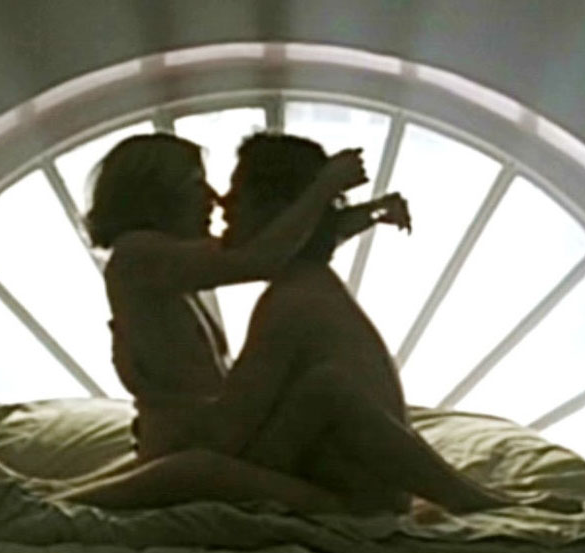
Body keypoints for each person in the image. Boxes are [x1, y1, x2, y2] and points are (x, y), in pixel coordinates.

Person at [196, 132, 580, 515]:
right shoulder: (305, 285)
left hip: (354, 491)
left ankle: (475, 499)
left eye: (238, 193)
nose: (224, 205)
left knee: (326, 388)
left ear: (278, 211)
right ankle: (471, 497)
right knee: (324, 387)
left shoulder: (295, 298)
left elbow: (230, 432)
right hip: (350, 483)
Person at [35, 132, 391, 512]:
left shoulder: (168, 261)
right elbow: (259, 257)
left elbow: (276, 245)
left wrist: (360, 217)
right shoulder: (138, 255)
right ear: (156, 194)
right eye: (195, 184)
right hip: (187, 449)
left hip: (204, 442)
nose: (214, 197)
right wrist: (324, 187)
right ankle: (39, 505)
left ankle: (43, 496)